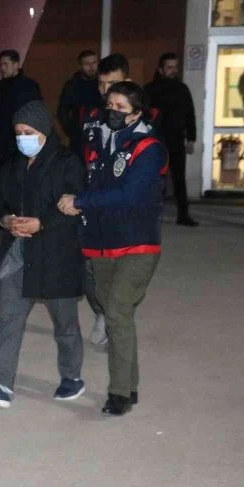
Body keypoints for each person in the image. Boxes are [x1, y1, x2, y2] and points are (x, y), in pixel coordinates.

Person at [58, 81, 167, 417]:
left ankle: (118, 393)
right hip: (101, 244)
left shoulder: (148, 148)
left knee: (117, 312)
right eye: (110, 105)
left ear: (136, 113)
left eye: (121, 107)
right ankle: (130, 386)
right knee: (118, 316)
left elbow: (129, 195)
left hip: (137, 242)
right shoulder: (98, 141)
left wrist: (80, 201)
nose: (113, 112)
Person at [0, 101, 85, 408]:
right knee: (8, 321)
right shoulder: (12, 165)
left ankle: (72, 376)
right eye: (19, 133)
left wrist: (41, 222)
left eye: (29, 132)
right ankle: (1, 384)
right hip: (19, 253)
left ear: (45, 130)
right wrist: (6, 220)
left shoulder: (67, 163)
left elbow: (74, 207)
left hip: (56, 255)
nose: (23, 138)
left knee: (65, 324)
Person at [78, 53, 134, 346]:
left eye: (111, 84)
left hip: (124, 207)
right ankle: (101, 311)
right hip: (92, 203)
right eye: (101, 84)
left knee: (119, 269)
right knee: (88, 267)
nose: (105, 90)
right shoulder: (91, 116)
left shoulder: (141, 120)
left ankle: (113, 317)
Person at [144, 52, 199, 227]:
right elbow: (144, 115)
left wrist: (191, 138)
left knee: (179, 178)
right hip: (157, 139)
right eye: (169, 67)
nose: (173, 70)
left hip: (176, 139)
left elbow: (190, 114)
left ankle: (183, 214)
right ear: (161, 69)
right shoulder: (150, 89)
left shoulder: (182, 89)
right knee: (156, 178)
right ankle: (153, 215)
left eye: (175, 67)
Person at [0, 49, 42, 187]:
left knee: (19, 182)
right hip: (0, 146)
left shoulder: (29, 87)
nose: (2, 68)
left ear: (16, 64)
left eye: (6, 64)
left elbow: (37, 115)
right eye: (1, 65)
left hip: (21, 145)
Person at [57, 50, 101, 161]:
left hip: (101, 133)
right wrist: (72, 131)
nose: (91, 67)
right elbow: (62, 111)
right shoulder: (72, 85)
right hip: (79, 137)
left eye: (94, 62)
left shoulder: (102, 83)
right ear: (80, 66)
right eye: (87, 64)